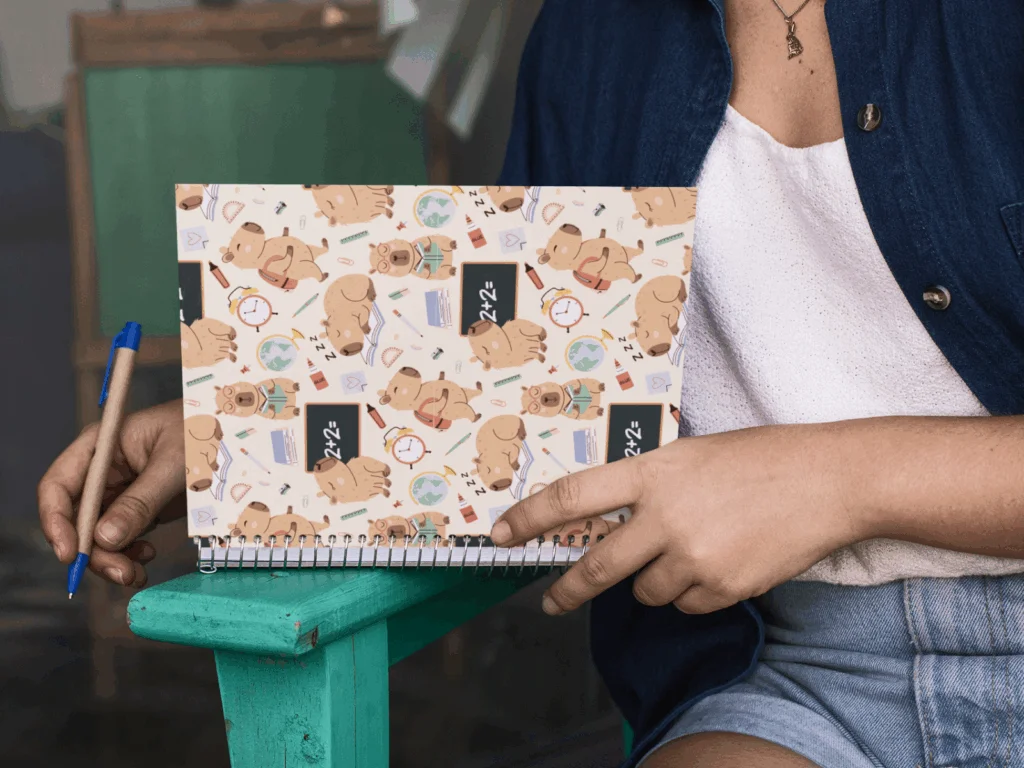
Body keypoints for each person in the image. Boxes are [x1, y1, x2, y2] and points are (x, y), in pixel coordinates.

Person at [37, 1, 1023, 766]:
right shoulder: (591, 40)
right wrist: (239, 429)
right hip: (793, 669)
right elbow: (523, 388)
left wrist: (834, 481)